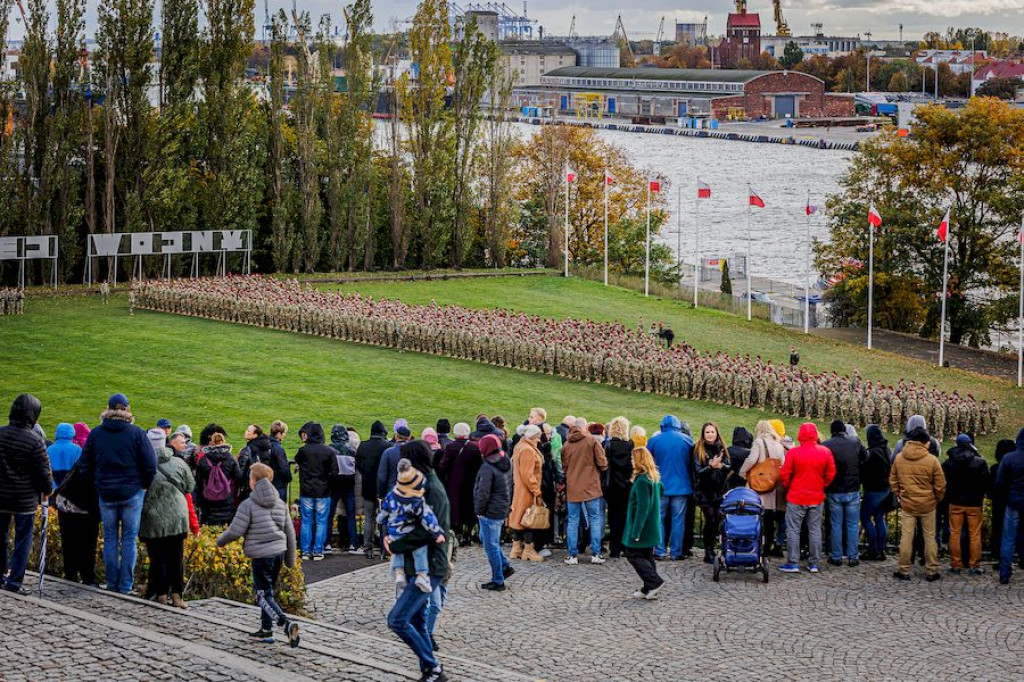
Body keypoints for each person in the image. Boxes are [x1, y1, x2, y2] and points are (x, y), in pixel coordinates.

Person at [78, 393, 156, 594]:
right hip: (131, 492)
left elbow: (84, 465)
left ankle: (113, 583)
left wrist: (96, 485)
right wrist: (144, 485)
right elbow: (150, 464)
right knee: (129, 538)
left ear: (108, 409)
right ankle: (124, 585)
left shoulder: (96, 434)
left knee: (111, 537)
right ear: (128, 410)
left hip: (107, 492)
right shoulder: (137, 433)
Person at [386, 443, 452, 682]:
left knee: (397, 619)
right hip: (418, 564)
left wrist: (396, 545)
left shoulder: (431, 489)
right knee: (416, 619)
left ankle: (433, 667)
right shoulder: (422, 486)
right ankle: (431, 668)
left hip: (430, 566)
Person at [217, 463, 300, 647]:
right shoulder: (280, 502)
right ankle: (266, 630)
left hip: (261, 555)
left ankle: (286, 624)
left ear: (253, 481)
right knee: (268, 594)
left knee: (262, 596)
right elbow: (290, 531)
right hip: (279, 552)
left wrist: (219, 542)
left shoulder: (249, 504)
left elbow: (235, 531)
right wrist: (290, 560)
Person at [0, 394, 52, 595]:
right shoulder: (35, 441)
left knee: (1, 536)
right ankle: (14, 581)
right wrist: (47, 490)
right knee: (23, 539)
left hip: (2, 495)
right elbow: (43, 472)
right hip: (23, 499)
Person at [139, 428, 195, 608]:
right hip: (177, 515)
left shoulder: (143, 465)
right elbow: (190, 486)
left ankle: (161, 593)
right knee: (176, 556)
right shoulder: (178, 462)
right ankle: (177, 595)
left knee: (158, 557)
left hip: (153, 516)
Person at [378, 458, 446, 593]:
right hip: (410, 530)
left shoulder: (391, 496)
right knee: (419, 551)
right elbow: (428, 517)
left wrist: (381, 521)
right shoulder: (416, 501)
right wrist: (437, 532)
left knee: (397, 552)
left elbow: (383, 513)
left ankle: (399, 573)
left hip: (395, 530)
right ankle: (422, 575)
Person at [890, 426, 946, 582]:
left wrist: (898, 494)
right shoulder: (932, 460)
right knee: (929, 538)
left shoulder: (900, 457)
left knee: (906, 537)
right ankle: (932, 570)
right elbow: (940, 484)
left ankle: (903, 569)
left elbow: (893, 479)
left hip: (908, 503)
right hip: (928, 504)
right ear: (923, 442)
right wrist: (937, 498)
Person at [777, 423, 835, 574]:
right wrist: (822, 485)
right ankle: (814, 563)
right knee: (815, 530)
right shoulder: (825, 452)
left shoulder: (794, 453)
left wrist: (791, 486)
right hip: (816, 496)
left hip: (796, 496)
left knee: (793, 530)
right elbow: (831, 473)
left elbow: (784, 474)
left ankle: (793, 562)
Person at [561, 418, 608, 565]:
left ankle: (572, 555)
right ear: (584, 429)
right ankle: (596, 553)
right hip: (591, 486)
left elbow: (564, 467)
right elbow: (603, 463)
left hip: (573, 487)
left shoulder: (566, 445)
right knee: (594, 518)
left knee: (573, 521)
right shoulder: (592, 441)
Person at [647, 415, 694, 561]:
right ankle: (676, 552)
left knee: (659, 519)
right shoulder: (687, 440)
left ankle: (660, 550)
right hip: (681, 486)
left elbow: (648, 463)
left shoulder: (654, 440)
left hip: (660, 486)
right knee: (678, 520)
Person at [822, 420, 867, 567]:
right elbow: (865, 458)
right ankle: (853, 556)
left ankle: (836, 556)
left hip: (835, 489)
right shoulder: (855, 441)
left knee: (836, 524)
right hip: (852, 488)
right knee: (852, 524)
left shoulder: (827, 445)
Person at [942, 433, 989, 575]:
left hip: (955, 501)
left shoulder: (949, 463)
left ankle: (955, 564)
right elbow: (986, 481)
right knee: (974, 534)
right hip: (974, 502)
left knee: (954, 533)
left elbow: (944, 482)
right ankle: (974, 564)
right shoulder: (979, 462)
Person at [740, 420, 787, 557]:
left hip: (758, 483)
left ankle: (756, 544)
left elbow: (751, 459)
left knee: (756, 515)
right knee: (769, 518)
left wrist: (743, 471)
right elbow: (782, 464)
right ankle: (768, 546)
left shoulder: (759, 442)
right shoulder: (778, 445)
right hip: (772, 484)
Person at [623, 446, 664, 600]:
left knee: (633, 554)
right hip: (652, 524)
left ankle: (653, 582)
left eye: (633, 459)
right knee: (646, 555)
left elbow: (642, 507)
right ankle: (648, 586)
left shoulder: (641, 481)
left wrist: (636, 531)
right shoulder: (653, 478)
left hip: (642, 526)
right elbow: (661, 491)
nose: (631, 461)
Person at [473, 433, 512, 591]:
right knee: (486, 538)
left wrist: (479, 511)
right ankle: (504, 566)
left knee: (491, 546)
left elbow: (483, 492)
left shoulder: (488, 467)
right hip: (501, 506)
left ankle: (498, 580)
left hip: (490, 511)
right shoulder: (505, 459)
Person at [295, 422, 339, 561]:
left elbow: (298, 461)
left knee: (306, 521)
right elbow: (335, 472)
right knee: (321, 521)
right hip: (323, 490)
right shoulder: (328, 451)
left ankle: (306, 551)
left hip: (307, 490)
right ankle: (318, 550)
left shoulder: (303, 451)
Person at [55, 454, 100, 585]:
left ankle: (72, 575)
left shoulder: (82, 462)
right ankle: (87, 577)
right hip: (82, 506)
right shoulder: (95, 465)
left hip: (66, 504)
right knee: (87, 543)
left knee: (69, 542)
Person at [693, 422, 730, 563]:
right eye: (707, 432)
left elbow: (729, 468)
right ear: (703, 434)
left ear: (716, 433)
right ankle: (708, 550)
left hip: (718, 490)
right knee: (711, 519)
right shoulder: (698, 449)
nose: (710, 435)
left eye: (712, 432)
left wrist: (721, 466)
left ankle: (713, 547)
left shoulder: (721, 448)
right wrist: (710, 466)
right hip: (704, 491)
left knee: (718, 519)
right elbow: (697, 472)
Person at [509, 425, 545, 563]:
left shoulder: (521, 445)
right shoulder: (527, 450)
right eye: (538, 435)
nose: (540, 438)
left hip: (520, 489)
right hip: (527, 491)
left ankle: (516, 548)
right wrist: (537, 491)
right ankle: (528, 550)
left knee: (519, 518)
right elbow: (527, 474)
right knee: (528, 519)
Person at [356, 421, 390, 556]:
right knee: (384, 518)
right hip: (383, 489)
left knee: (369, 519)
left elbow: (358, 464)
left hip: (367, 486)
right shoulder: (387, 446)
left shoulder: (363, 446)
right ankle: (384, 547)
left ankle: (368, 548)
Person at [995, 428, 1024, 585]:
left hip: (1013, 502)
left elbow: (1000, 482)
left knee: (1008, 539)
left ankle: (1005, 573)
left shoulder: (1009, 458)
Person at [860, 425, 892, 561]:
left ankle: (873, 549)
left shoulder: (872, 453)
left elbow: (865, 472)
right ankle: (882, 549)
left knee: (866, 517)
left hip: (874, 489)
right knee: (879, 518)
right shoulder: (887, 449)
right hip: (886, 488)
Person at [195, 432, 241, 527]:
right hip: (226, 499)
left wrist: (199, 500)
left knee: (209, 530)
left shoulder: (203, 459)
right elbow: (238, 478)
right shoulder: (230, 458)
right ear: (223, 442)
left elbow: (198, 482)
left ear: (211, 443)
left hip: (208, 501)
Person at [604, 417, 634, 559]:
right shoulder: (630, 444)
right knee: (626, 516)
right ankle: (625, 545)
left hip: (611, 485)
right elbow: (631, 465)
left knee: (613, 516)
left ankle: (614, 548)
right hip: (626, 485)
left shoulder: (607, 444)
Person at [990, 439, 1020, 571]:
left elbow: (994, 487)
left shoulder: (995, 469)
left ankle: (999, 557)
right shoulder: (1017, 465)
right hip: (1014, 501)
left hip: (999, 503)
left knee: (999, 530)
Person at [327, 424, 358, 553]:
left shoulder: (329, 450)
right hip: (348, 485)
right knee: (351, 515)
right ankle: (353, 544)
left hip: (333, 485)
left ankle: (327, 543)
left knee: (329, 515)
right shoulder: (351, 450)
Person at [48, 422, 81, 489]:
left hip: (53, 485)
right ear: (73, 433)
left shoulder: (49, 449)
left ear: (57, 433)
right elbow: (80, 469)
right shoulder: (77, 449)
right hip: (71, 485)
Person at [268, 421, 292, 501]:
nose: (285, 435)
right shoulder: (278, 448)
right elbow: (284, 468)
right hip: (278, 484)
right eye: (284, 432)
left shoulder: (265, 444)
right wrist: (289, 478)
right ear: (279, 434)